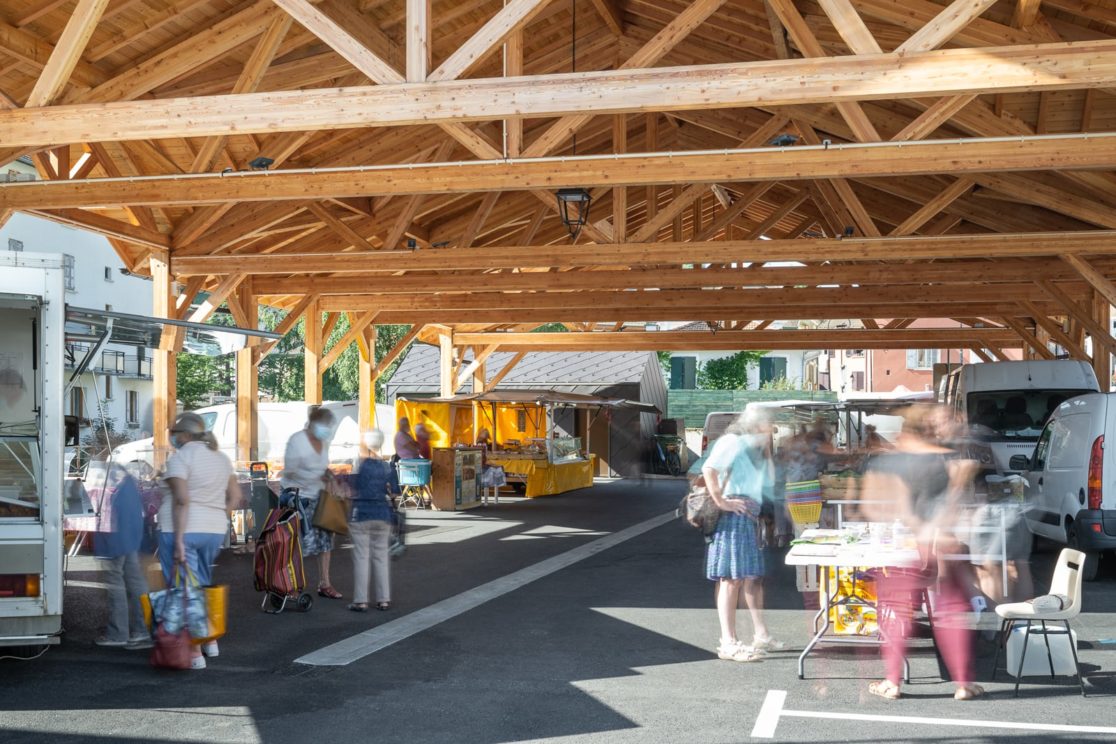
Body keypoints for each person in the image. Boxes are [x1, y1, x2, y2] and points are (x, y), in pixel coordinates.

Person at [861, 405, 983, 701]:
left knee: (894, 611)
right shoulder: (944, 459)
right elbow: (961, 505)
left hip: (902, 546)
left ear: (903, 431)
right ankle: (963, 683)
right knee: (949, 611)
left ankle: (892, 682)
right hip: (939, 543)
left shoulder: (884, 463)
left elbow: (870, 507)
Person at [701, 408, 781, 663]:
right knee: (731, 579)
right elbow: (708, 469)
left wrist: (767, 450)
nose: (772, 430)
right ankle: (728, 642)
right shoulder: (732, 441)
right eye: (769, 425)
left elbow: (769, 481)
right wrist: (721, 501)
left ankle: (755, 635)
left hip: (747, 515)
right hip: (734, 515)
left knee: (744, 577)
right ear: (756, 425)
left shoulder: (752, 448)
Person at [160, 412, 239, 669]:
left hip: (181, 530)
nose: (172, 438)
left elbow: (182, 501)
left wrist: (180, 541)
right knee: (201, 584)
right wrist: (216, 513)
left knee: (185, 589)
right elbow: (235, 497)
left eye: (174, 433)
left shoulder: (180, 458)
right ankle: (209, 642)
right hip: (214, 530)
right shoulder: (221, 458)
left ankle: (194, 652)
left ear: (183, 435)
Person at [281, 407, 342, 599]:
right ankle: (289, 584)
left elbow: (323, 468)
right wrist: (311, 475)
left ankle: (325, 583)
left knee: (325, 540)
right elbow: (289, 471)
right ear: (314, 423)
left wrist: (330, 476)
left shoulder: (324, 442)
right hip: (297, 496)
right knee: (297, 542)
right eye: (326, 426)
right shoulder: (297, 440)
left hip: (319, 496)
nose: (328, 430)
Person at [93, 463, 150, 650]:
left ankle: (118, 633)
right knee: (136, 584)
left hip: (116, 542)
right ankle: (142, 629)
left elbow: (110, 517)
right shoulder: (129, 487)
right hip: (130, 542)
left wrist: (109, 546)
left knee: (116, 586)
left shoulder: (116, 489)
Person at [349, 430, 399, 612]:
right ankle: (383, 599)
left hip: (362, 513)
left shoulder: (361, 466)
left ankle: (361, 601)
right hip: (383, 515)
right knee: (381, 557)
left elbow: (353, 488)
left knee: (362, 557)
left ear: (367, 444)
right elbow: (394, 493)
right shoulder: (388, 467)